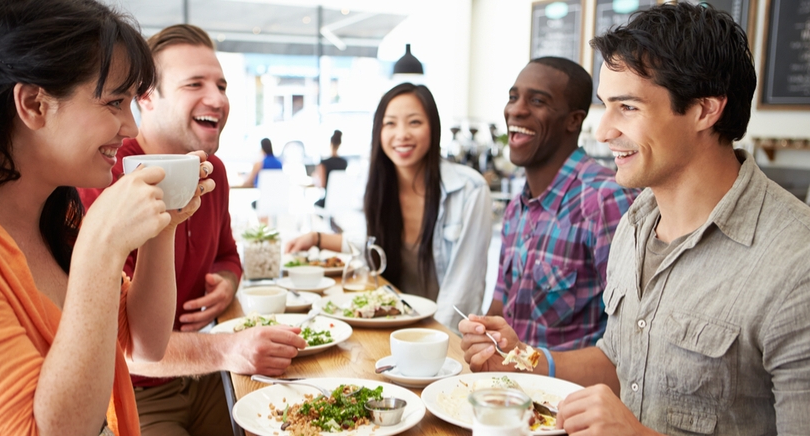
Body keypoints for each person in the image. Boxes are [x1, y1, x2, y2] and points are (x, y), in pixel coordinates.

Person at [460, 3, 810, 435]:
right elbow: (621, 363)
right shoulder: (636, 223)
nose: (603, 131)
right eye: (605, 105)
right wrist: (525, 359)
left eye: (627, 107)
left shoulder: (796, 265)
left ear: (704, 110)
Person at [0, 0, 213, 434]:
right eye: (115, 102)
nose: (131, 127)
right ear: (34, 104)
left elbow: (145, 343)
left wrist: (165, 223)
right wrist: (100, 251)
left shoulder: (59, 216)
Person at [78, 24, 306, 436]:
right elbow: (121, 346)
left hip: (207, 373)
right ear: (145, 97)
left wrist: (227, 281)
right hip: (137, 389)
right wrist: (229, 348)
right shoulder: (104, 175)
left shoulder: (211, 170)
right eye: (195, 84)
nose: (217, 99)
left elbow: (228, 255)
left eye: (222, 85)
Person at [286, 83, 492, 331]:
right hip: (394, 322)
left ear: (433, 128)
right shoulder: (378, 187)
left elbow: (463, 289)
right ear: (379, 131)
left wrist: (435, 342)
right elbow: (372, 246)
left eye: (414, 122)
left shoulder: (469, 190)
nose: (402, 134)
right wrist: (317, 238)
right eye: (390, 123)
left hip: (441, 338)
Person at [485, 57, 638, 350]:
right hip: (512, 390)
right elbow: (500, 307)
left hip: (571, 394)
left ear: (573, 120)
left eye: (538, 101)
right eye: (513, 97)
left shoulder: (607, 200)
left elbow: (630, 345)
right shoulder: (518, 207)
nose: (516, 109)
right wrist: (481, 332)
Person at [313, 129, 348, 208]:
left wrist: (315, 178)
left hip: (327, 201)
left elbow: (321, 185)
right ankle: (331, 220)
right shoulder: (344, 163)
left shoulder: (323, 163)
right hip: (341, 200)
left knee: (315, 205)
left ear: (330, 143)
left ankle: (330, 220)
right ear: (340, 144)